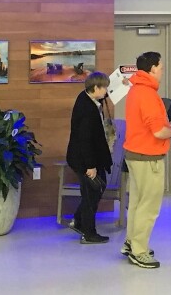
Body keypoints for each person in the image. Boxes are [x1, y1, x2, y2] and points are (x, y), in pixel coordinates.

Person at [122, 51, 171, 269]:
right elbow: (158, 132)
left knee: (136, 203)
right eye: (161, 66)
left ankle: (131, 243)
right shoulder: (147, 94)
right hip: (148, 158)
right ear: (153, 68)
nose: (162, 70)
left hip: (135, 156)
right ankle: (139, 251)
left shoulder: (136, 90)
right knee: (149, 206)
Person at [65, 71, 113, 244]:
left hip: (85, 157)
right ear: (95, 88)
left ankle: (78, 221)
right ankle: (89, 233)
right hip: (84, 159)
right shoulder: (87, 109)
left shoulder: (87, 98)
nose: (106, 91)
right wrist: (90, 166)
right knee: (91, 194)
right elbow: (84, 139)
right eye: (104, 87)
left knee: (95, 190)